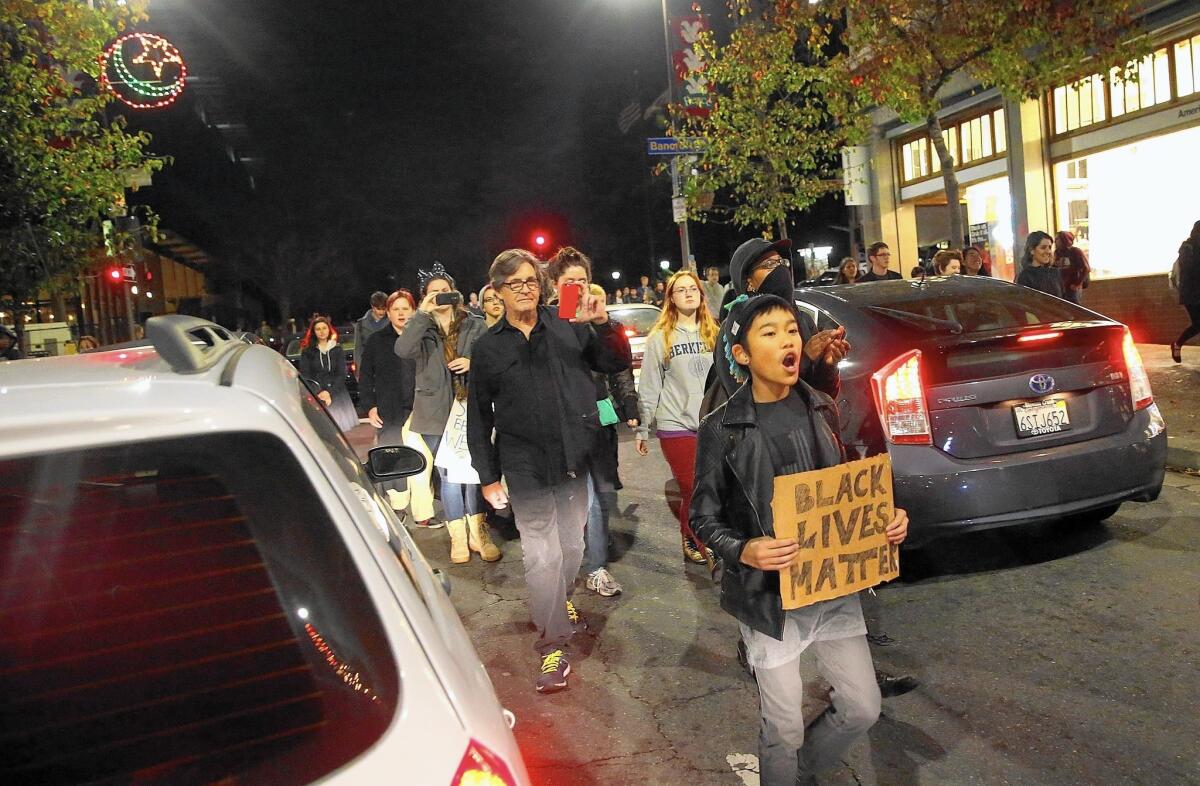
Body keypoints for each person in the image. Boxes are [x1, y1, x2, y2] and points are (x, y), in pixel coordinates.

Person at [690, 294, 909, 786]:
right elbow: (701, 517)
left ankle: (801, 772)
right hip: (770, 601)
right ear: (742, 354)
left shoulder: (823, 407)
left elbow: (848, 489)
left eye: (791, 329)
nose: (788, 340)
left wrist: (885, 519)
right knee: (783, 725)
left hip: (831, 587)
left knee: (862, 706)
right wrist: (743, 550)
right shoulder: (721, 427)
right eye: (770, 333)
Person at [467, 248, 631, 693]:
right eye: (514, 283)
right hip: (523, 464)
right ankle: (552, 643)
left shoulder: (569, 328)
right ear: (497, 292)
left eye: (531, 281)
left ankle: (556, 603)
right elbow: (479, 417)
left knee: (572, 547)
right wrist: (487, 476)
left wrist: (602, 323)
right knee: (541, 553)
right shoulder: (487, 348)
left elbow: (614, 362)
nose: (525, 289)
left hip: (574, 458)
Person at [545, 247, 638, 598]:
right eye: (569, 282)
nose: (578, 288)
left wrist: (600, 323)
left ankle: (596, 567)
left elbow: (618, 362)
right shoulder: (542, 322)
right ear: (554, 285)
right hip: (554, 427)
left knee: (595, 498)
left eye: (582, 281)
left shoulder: (598, 322)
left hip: (591, 423)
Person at [395, 263, 493, 561]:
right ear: (425, 297)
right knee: (449, 474)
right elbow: (402, 350)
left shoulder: (473, 323)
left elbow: (492, 355)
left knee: (474, 469)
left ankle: (478, 533)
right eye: (433, 293)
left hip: (469, 408)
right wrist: (421, 314)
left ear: (455, 292)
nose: (440, 296)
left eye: (444, 291)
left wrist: (472, 363)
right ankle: (458, 538)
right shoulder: (421, 328)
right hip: (434, 414)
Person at [635, 269, 720, 565]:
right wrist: (643, 428)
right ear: (670, 298)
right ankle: (700, 540)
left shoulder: (714, 332)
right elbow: (649, 385)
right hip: (676, 425)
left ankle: (689, 531)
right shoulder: (661, 337)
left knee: (710, 487)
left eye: (693, 289)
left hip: (711, 424)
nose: (688, 294)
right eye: (681, 290)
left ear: (701, 295)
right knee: (691, 487)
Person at [358, 289, 432, 521]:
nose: (401, 314)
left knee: (423, 460)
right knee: (394, 459)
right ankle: (399, 506)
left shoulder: (425, 338)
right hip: (388, 411)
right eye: (396, 309)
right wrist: (369, 406)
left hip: (421, 409)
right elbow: (366, 377)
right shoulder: (376, 341)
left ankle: (423, 513)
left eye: (405, 309)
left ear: (414, 311)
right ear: (388, 313)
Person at [299, 316, 359, 432]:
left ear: (329, 329)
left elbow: (342, 373)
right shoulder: (307, 352)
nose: (321, 332)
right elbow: (306, 375)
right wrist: (319, 392)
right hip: (317, 395)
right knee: (321, 431)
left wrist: (329, 392)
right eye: (318, 329)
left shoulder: (337, 349)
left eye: (324, 328)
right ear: (313, 332)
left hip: (337, 394)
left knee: (339, 432)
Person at [1171, 220, 1200, 363]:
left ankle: (1177, 345)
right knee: (1198, 324)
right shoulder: (1187, 247)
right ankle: (1177, 344)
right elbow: (1190, 269)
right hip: (1192, 294)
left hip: (1194, 293)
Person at [353, 291, 390, 377]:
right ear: (372, 307)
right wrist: (358, 374)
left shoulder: (392, 322)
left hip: (389, 369)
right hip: (369, 369)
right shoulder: (361, 324)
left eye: (384, 309)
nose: (381, 312)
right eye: (378, 309)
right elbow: (358, 349)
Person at [1016, 231, 1063, 298]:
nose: (1048, 251)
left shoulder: (1055, 273)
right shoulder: (1025, 276)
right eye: (1043, 248)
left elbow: (1063, 300)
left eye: (1049, 247)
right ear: (1032, 250)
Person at [1055, 231, 1090, 304]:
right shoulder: (1057, 252)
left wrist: (1078, 284)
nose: (1055, 241)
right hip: (1062, 287)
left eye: (1057, 239)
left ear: (1064, 240)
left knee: (1074, 308)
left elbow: (1086, 268)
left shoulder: (1075, 251)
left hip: (1073, 287)